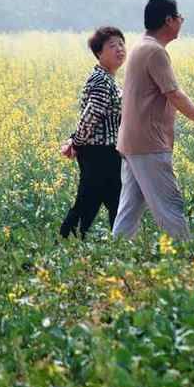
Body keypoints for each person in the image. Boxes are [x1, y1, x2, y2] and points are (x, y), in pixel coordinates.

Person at [112, 0, 194, 240]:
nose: (181, 21)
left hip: (132, 141)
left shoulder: (141, 46)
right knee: (170, 205)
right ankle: (186, 256)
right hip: (148, 143)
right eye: (179, 17)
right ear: (169, 20)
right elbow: (174, 94)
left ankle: (114, 254)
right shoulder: (155, 52)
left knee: (130, 208)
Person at [59, 26, 126, 239]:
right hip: (99, 153)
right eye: (112, 46)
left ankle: (119, 242)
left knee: (112, 201)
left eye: (121, 44)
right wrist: (77, 143)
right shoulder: (101, 80)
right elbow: (92, 115)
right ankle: (67, 239)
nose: (119, 49)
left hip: (106, 151)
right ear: (99, 53)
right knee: (90, 201)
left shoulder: (108, 79)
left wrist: (74, 140)